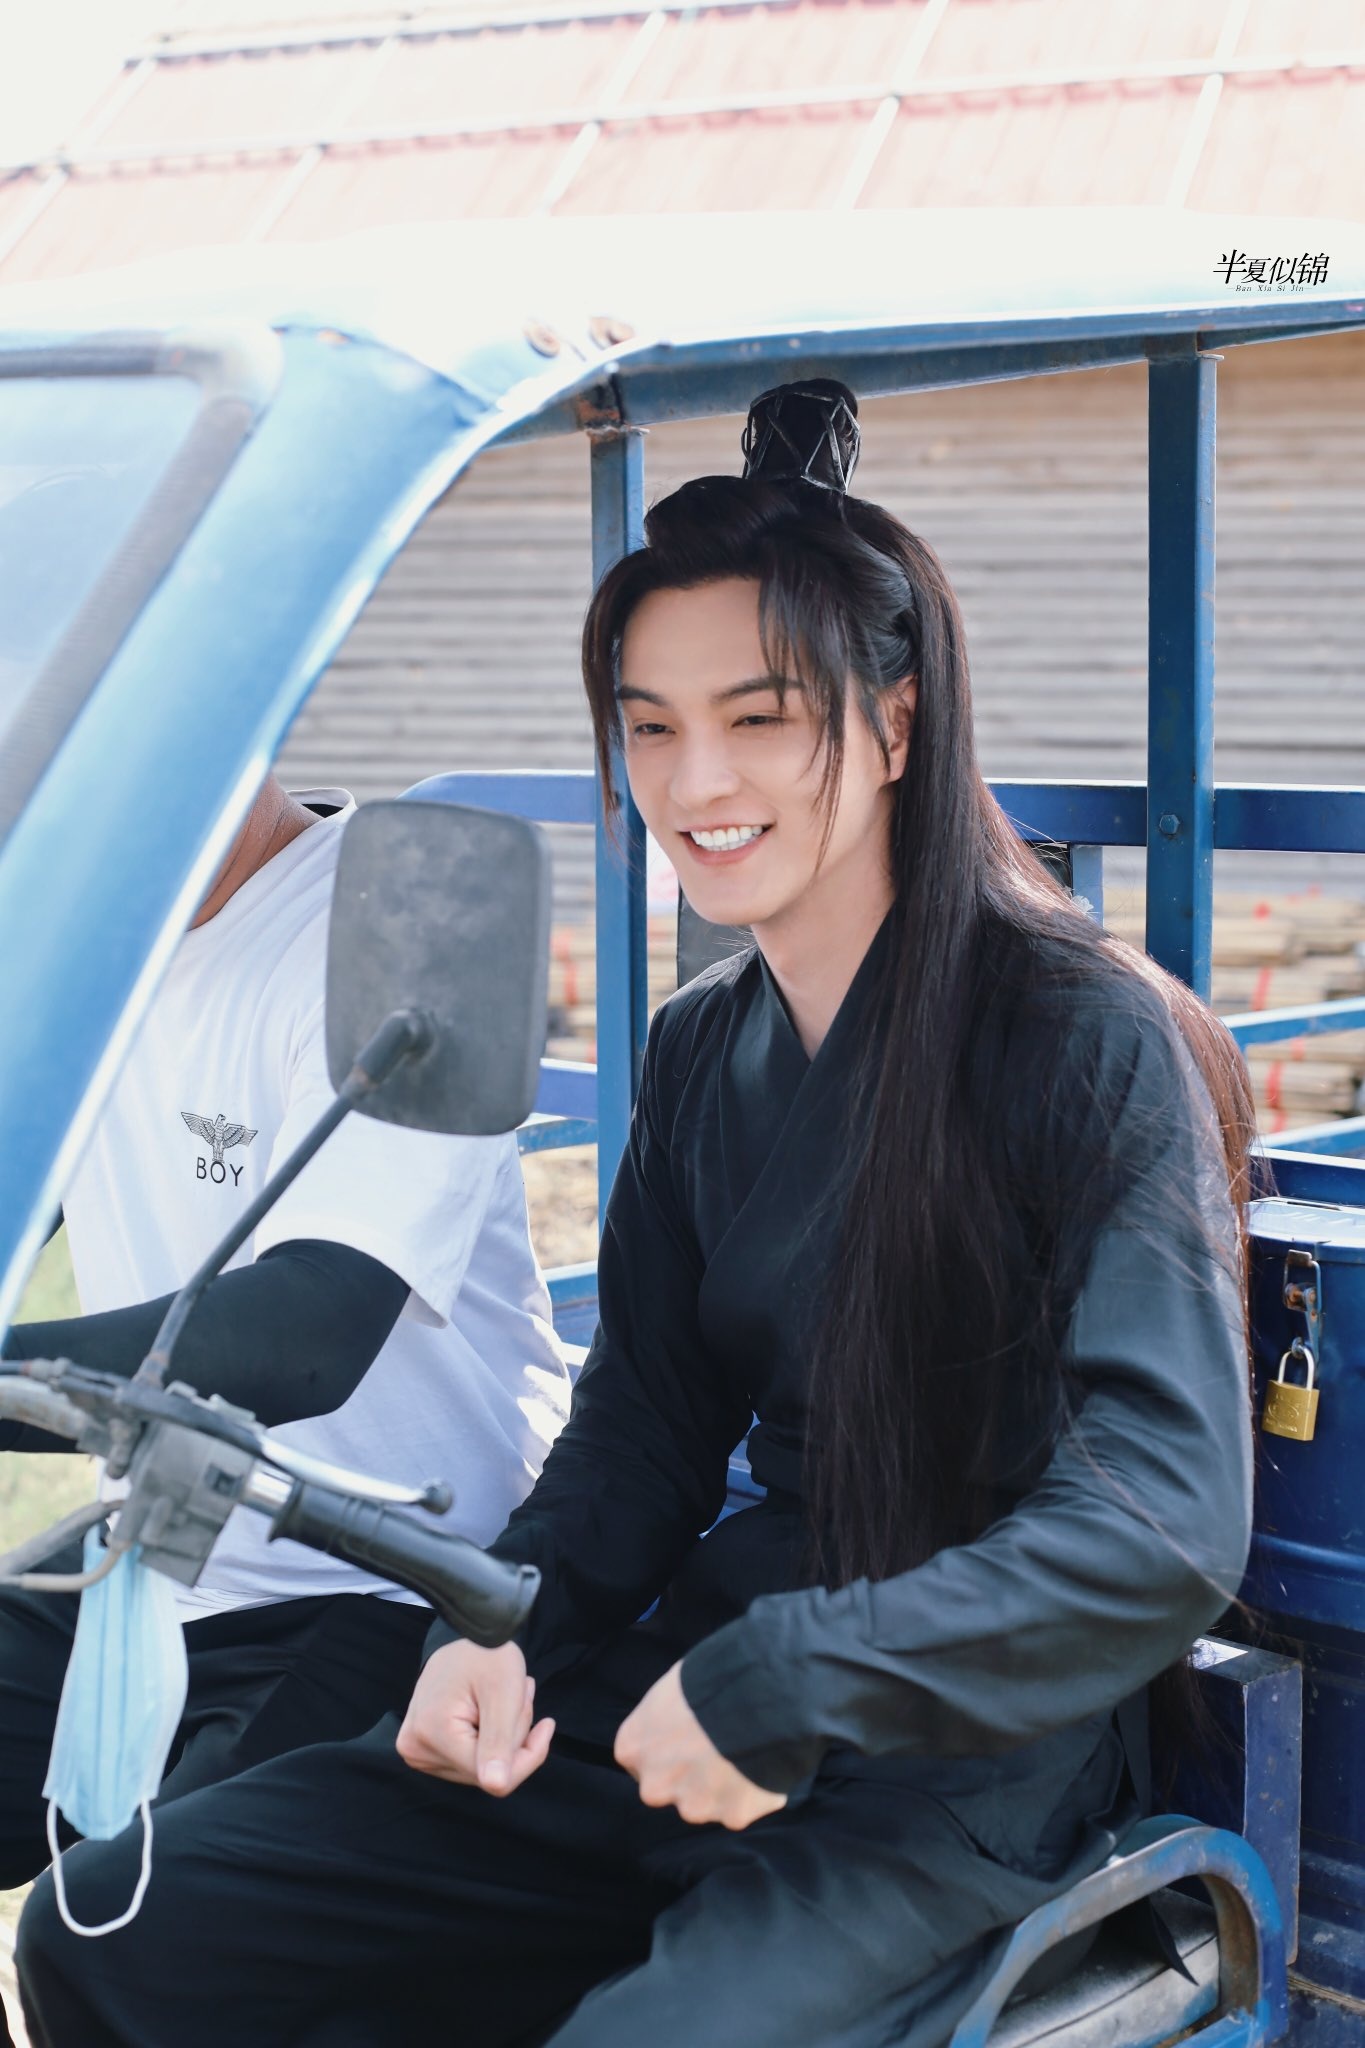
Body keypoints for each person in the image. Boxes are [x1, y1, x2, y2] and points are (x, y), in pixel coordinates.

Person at [16, 382, 1255, 2048]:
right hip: (693, 1682)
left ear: (895, 726)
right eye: (650, 724)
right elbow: (646, 1430)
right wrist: (501, 1629)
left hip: (964, 1753)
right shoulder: (700, 1046)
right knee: (131, 1931)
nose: (695, 777)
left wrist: (791, 1678)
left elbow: (1163, 1523)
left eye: (760, 717)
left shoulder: (1084, 1033)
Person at [1, 776, 569, 2046]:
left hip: (390, 1577)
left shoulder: (420, 915)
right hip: (163, 1545)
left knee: (107, 1938)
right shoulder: (74, 928)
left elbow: (309, 1335)